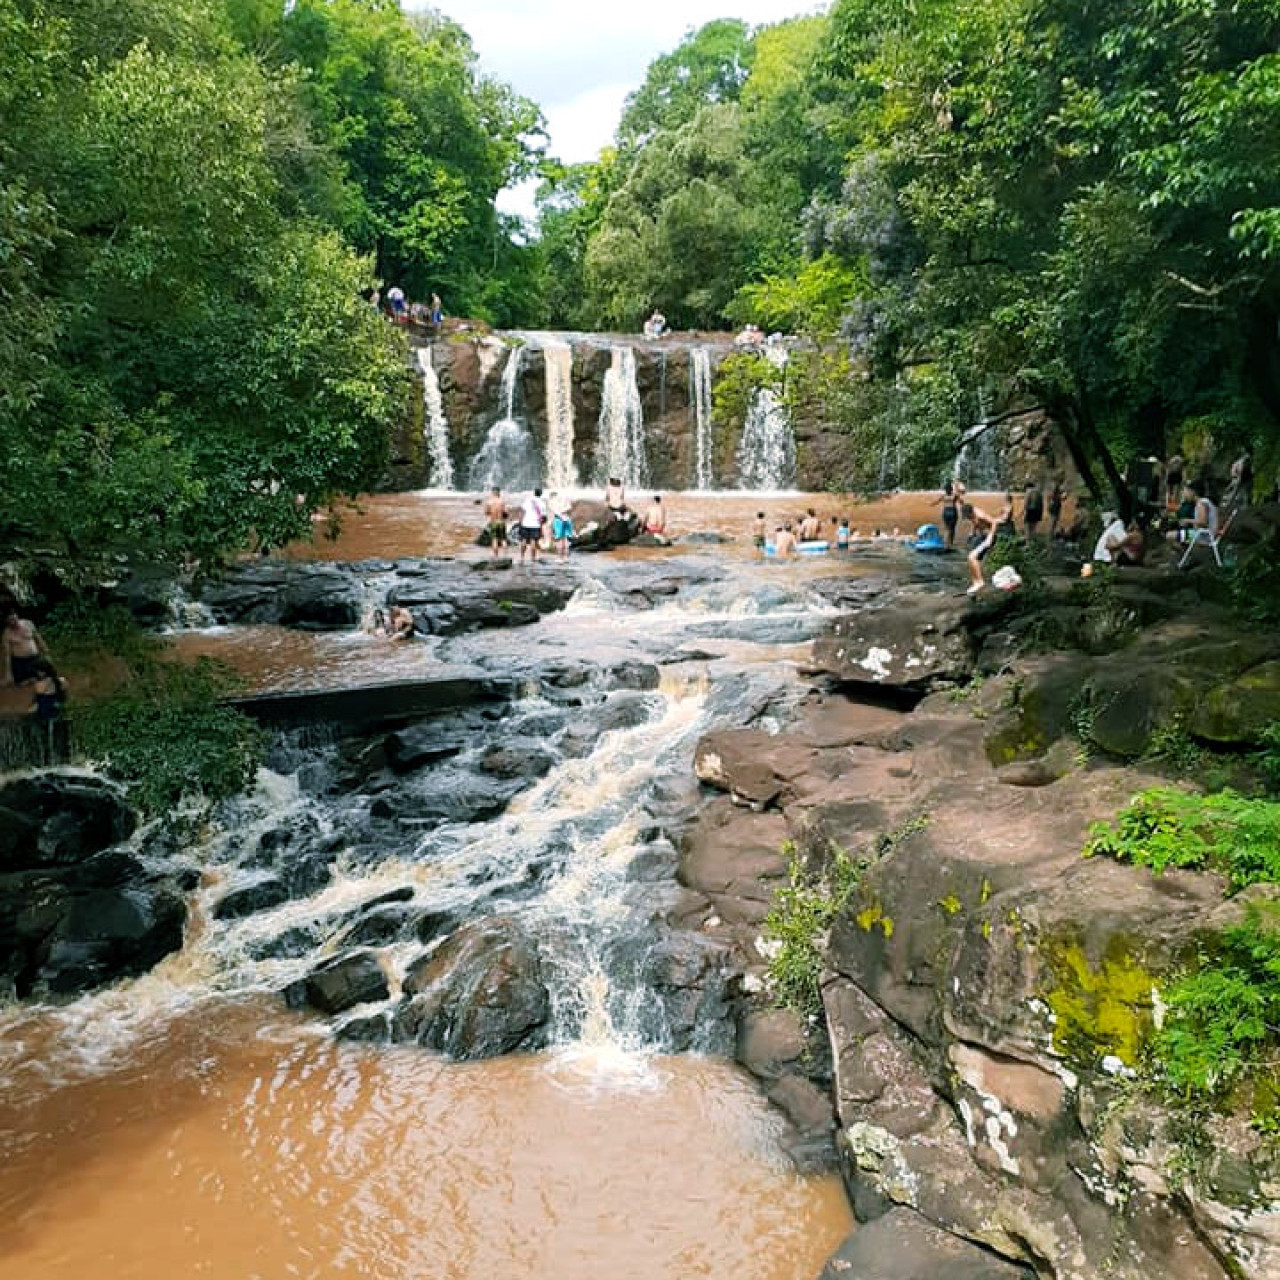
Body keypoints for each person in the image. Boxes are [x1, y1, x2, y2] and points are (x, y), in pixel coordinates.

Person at [966, 495, 1012, 594]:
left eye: (969, 516)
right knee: (973, 557)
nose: (968, 518)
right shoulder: (972, 514)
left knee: (972, 557)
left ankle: (980, 581)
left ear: (972, 512)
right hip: (983, 536)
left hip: (990, 536)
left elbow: (994, 522)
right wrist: (972, 532)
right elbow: (975, 523)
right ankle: (976, 581)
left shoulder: (980, 514)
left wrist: (990, 538)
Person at [2, 606, 47, 686]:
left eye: (14, 618)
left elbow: (38, 637)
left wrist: (45, 650)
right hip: (20, 661)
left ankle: (35, 676)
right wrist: (8, 672)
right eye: (10, 620)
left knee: (43, 674)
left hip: (34, 657)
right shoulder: (7, 633)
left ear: (17, 616)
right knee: (19, 683)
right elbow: (7, 654)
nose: (13, 622)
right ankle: (30, 678)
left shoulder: (28, 623)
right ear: (7, 622)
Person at [519, 487, 548, 563]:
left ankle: (522, 557)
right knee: (533, 541)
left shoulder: (528, 501)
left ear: (534, 493)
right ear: (541, 494)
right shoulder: (542, 503)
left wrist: (521, 522)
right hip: (535, 524)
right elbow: (543, 517)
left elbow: (522, 512)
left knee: (524, 540)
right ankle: (532, 558)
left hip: (525, 523)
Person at [484, 486, 509, 557]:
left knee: (494, 539)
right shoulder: (502, 501)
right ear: (499, 492)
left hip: (493, 522)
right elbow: (506, 512)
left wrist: (491, 513)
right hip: (501, 522)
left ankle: (496, 556)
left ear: (492, 492)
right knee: (503, 539)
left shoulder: (489, 502)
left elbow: (486, 513)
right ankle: (505, 556)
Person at [550, 495, 574, 559]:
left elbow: (555, 512)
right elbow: (569, 507)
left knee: (559, 540)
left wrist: (559, 514)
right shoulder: (565, 499)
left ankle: (560, 558)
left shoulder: (552, 502)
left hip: (558, 520)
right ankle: (567, 558)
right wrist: (563, 511)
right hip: (567, 519)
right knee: (567, 540)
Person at [937, 481, 960, 548]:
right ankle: (950, 543)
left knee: (947, 528)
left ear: (945, 490)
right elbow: (961, 502)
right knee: (952, 529)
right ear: (951, 489)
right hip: (953, 512)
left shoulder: (943, 496)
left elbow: (936, 502)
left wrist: (929, 504)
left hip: (946, 512)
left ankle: (945, 543)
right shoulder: (954, 496)